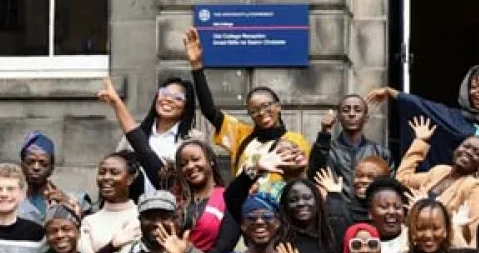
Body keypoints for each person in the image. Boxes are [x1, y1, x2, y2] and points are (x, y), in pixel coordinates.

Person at [184, 28, 311, 176]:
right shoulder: (240, 135)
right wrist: (197, 66)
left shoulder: (296, 140)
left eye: (266, 106)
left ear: (278, 106)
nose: (261, 113)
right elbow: (209, 111)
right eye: (254, 111)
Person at [395, 117, 479, 245]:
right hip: (415, 244)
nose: (468, 152)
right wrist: (420, 141)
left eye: (476, 153)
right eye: (466, 146)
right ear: (456, 149)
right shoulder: (439, 171)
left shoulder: (472, 187)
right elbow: (402, 179)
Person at [0, 134, 90, 222]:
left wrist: (70, 206)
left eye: (43, 163)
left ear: (51, 168)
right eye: (31, 162)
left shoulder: (74, 199)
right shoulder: (7, 201)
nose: (36, 167)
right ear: (22, 165)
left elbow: (91, 232)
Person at [112, 76, 207, 169]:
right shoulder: (135, 132)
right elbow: (116, 164)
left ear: (186, 107)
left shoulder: (195, 138)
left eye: (178, 98)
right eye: (164, 93)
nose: (169, 99)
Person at [78, 151, 143, 253]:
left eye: (114, 172)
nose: (106, 177)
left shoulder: (143, 217)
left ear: (130, 179)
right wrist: (113, 246)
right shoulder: (89, 222)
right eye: (102, 172)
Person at [324, 93, 391, 195]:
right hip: (337, 208)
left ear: (366, 117)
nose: (351, 114)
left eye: (358, 110)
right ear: (338, 117)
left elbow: (389, 186)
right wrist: (324, 133)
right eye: (346, 110)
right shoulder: (327, 151)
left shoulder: (381, 152)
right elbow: (314, 173)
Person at [317, 155, 389, 234]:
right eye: (359, 176)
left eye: (371, 177)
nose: (363, 180)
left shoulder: (389, 213)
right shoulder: (343, 208)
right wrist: (334, 198)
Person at [365, 176, 411, 253]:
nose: (392, 212)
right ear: (370, 213)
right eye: (384, 207)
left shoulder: (414, 240)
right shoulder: (361, 241)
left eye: (397, 207)